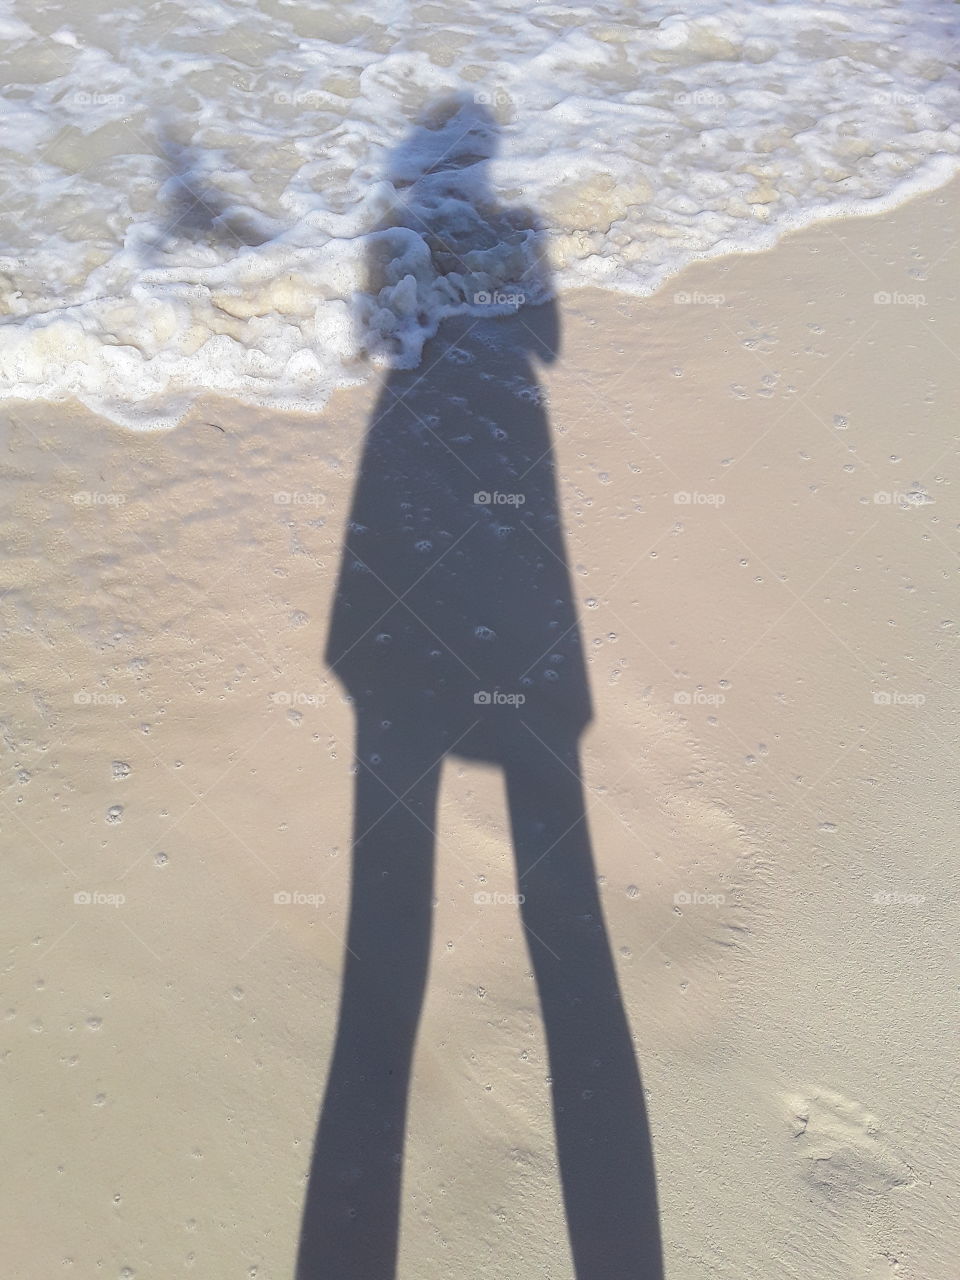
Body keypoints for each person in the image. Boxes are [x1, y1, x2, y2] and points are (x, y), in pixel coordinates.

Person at [296, 94, 663, 1280]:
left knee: (389, 926)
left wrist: (409, 273)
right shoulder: (519, 228)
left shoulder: (394, 238)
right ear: (480, 166)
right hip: (510, 514)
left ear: (414, 177)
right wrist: (498, 277)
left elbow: (378, 343)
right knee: (558, 869)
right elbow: (546, 336)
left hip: (403, 538)